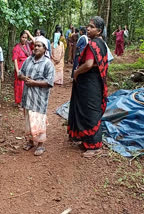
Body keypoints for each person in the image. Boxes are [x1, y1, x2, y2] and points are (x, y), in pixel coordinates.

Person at [68, 16, 108, 158]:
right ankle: (86, 141)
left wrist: (77, 72)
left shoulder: (93, 45)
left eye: (91, 27)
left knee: (90, 112)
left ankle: (95, 145)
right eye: (88, 26)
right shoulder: (102, 43)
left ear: (99, 30)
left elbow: (89, 64)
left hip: (90, 83)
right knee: (89, 110)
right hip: (95, 82)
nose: (88, 29)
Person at [18, 37, 55, 156]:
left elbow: (49, 82)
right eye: (35, 45)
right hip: (27, 97)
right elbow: (20, 73)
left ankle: (40, 145)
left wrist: (34, 83)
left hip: (39, 99)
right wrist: (24, 78)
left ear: (45, 49)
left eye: (39, 46)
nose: (36, 47)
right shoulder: (28, 60)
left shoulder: (48, 63)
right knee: (28, 119)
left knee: (38, 120)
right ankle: (30, 142)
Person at [12, 31, 32, 109]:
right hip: (20, 68)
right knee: (20, 86)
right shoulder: (16, 48)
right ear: (20, 37)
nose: (24, 39)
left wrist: (29, 34)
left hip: (28, 68)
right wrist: (18, 71)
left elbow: (36, 42)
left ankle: (26, 101)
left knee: (27, 84)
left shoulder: (28, 46)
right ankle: (19, 102)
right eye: (23, 37)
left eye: (26, 38)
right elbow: (15, 60)